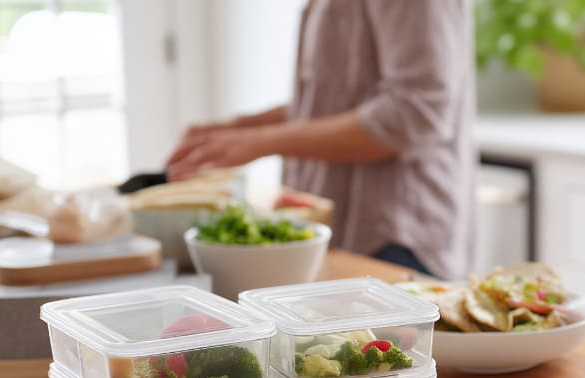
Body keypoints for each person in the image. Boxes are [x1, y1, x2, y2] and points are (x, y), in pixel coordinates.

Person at [166, 0, 475, 279]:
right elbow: (333, 101)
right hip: (343, 235)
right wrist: (241, 128)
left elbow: (415, 113)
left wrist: (261, 141)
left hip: (395, 241)